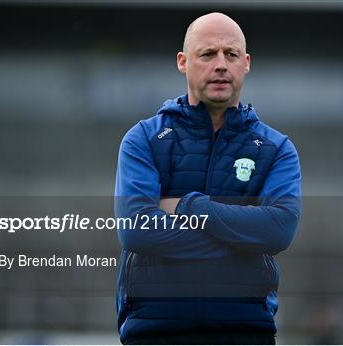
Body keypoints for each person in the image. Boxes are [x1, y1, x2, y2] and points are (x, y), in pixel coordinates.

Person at [114, 12, 301, 345]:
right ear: (183, 62)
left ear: (246, 63)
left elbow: (278, 230)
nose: (220, 65)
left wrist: (190, 206)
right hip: (155, 330)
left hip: (245, 329)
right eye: (207, 54)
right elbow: (137, 231)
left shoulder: (277, 149)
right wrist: (241, 238)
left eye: (230, 54)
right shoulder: (142, 139)